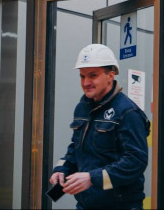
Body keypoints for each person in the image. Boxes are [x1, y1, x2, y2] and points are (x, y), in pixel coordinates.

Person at [49, 44, 150, 210]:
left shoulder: (127, 112)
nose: (86, 82)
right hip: (85, 204)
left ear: (110, 76)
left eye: (93, 75)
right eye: (82, 76)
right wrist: (62, 169)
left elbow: (136, 161)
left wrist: (93, 178)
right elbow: (75, 148)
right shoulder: (82, 108)